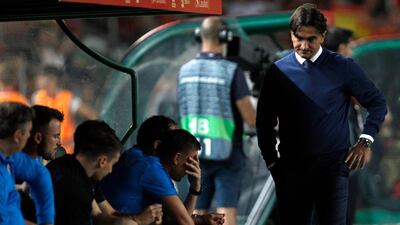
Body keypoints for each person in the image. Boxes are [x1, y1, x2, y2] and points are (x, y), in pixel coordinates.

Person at [256, 3, 387, 225]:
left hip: (333, 170)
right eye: (299, 38)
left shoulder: (343, 66)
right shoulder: (277, 71)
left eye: (311, 39)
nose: (304, 45)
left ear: (323, 37)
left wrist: (365, 141)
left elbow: (377, 102)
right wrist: (272, 163)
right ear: (291, 34)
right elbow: (264, 121)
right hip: (291, 170)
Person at [177, 16, 256, 225]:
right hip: (227, 152)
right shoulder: (231, 71)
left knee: (197, 208)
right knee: (226, 209)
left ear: (199, 36)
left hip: (195, 152)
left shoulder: (184, 71)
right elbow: (250, 117)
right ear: (225, 37)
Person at [101, 116, 223, 225]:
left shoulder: (134, 155)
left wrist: (200, 219)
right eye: (173, 137)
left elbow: (174, 219)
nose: (180, 139)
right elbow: (183, 222)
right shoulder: (150, 167)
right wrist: (195, 189)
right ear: (158, 145)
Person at [46, 120, 153, 225]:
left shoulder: (71, 166)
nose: (111, 170)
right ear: (102, 161)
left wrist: (136, 219)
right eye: (112, 164)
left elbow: (100, 215)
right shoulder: (76, 191)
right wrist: (137, 221)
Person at [0, 102, 55, 225]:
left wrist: (46, 219)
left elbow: (38, 173)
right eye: (29, 131)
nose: (30, 136)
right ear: (18, 136)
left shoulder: (9, 156)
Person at [32, 66, 97, 154]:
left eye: (43, 77)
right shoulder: (37, 97)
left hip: (66, 150)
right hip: (46, 150)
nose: (39, 80)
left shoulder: (68, 98)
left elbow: (91, 114)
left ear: (52, 79)